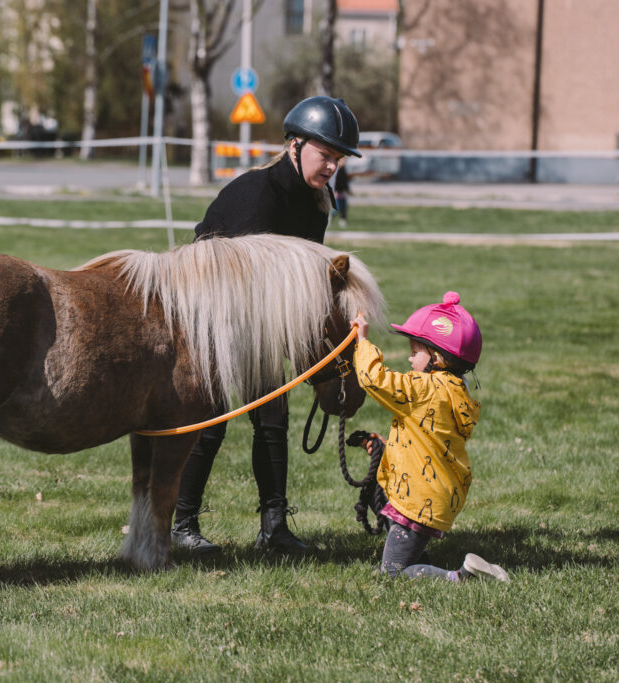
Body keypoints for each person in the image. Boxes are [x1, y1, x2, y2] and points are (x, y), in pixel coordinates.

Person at [171, 96, 361, 554]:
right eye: (326, 154)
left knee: (273, 419)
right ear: (295, 146)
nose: (333, 165)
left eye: (338, 158)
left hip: (265, 319)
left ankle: (274, 528)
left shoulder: (319, 202)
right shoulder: (254, 194)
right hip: (214, 313)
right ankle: (182, 525)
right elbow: (235, 275)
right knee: (212, 421)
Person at [348, 292, 509, 582]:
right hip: (437, 494)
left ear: (435, 356)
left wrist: (362, 342)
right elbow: (425, 439)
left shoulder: (423, 389)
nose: (410, 358)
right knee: (397, 535)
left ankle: (462, 577)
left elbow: (374, 379)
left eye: (415, 351)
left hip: (418, 498)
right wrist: (386, 448)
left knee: (393, 573)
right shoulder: (455, 392)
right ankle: (417, 557)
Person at [333, 157, 351, 227]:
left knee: (344, 208)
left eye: (344, 161)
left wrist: (348, 190)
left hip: (343, 193)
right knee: (337, 209)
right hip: (337, 193)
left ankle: (342, 221)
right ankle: (330, 218)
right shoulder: (336, 171)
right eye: (342, 161)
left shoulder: (344, 170)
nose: (344, 162)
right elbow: (334, 183)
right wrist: (334, 192)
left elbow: (345, 183)